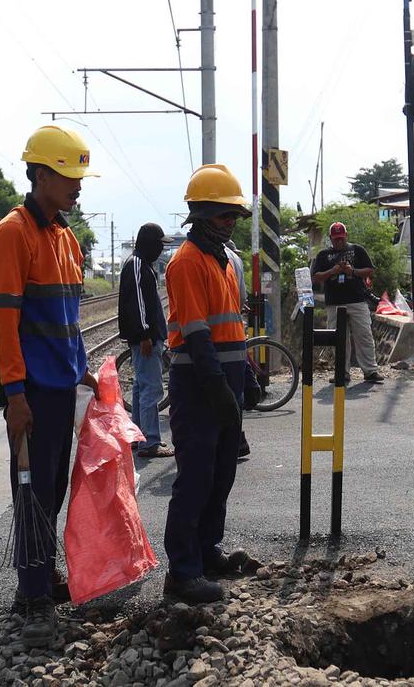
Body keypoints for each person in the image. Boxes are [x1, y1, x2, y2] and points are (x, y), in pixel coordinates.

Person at [0, 124, 100, 647]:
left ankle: (35, 581)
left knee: (50, 490)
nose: (77, 186)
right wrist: (15, 395)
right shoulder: (13, 234)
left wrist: (83, 372)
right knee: (31, 493)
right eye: (69, 176)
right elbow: (6, 321)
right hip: (31, 392)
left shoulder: (64, 237)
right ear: (40, 175)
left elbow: (67, 321)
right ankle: (34, 601)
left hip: (60, 390)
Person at [164, 164, 261, 604]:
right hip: (198, 384)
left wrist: (248, 375)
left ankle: (207, 552)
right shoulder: (187, 262)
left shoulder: (223, 260)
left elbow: (231, 326)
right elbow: (198, 334)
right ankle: (182, 572)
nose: (231, 222)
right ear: (202, 214)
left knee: (221, 475)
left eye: (234, 215)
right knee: (196, 478)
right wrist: (219, 387)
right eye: (225, 214)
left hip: (225, 380)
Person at [118, 222, 175, 458]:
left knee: (141, 387)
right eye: (159, 245)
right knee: (151, 388)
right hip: (146, 338)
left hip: (147, 337)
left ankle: (138, 437)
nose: (161, 250)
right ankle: (150, 441)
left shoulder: (140, 264)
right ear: (150, 244)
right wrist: (145, 334)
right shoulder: (138, 265)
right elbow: (138, 303)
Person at [310, 222, 382, 383]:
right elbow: (315, 277)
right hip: (334, 302)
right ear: (330, 238)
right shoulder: (323, 255)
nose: (339, 241)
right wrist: (332, 271)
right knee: (338, 339)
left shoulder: (358, 250)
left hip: (357, 300)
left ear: (346, 236)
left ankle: (370, 371)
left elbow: (370, 270)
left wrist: (352, 271)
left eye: (341, 238)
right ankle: (341, 372)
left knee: (364, 335)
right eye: (336, 239)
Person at [223, 238, 256, 458]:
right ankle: (236, 441)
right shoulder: (235, 259)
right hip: (234, 336)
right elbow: (241, 295)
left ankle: (231, 443)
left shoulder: (197, 256)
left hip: (214, 340)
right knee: (236, 393)